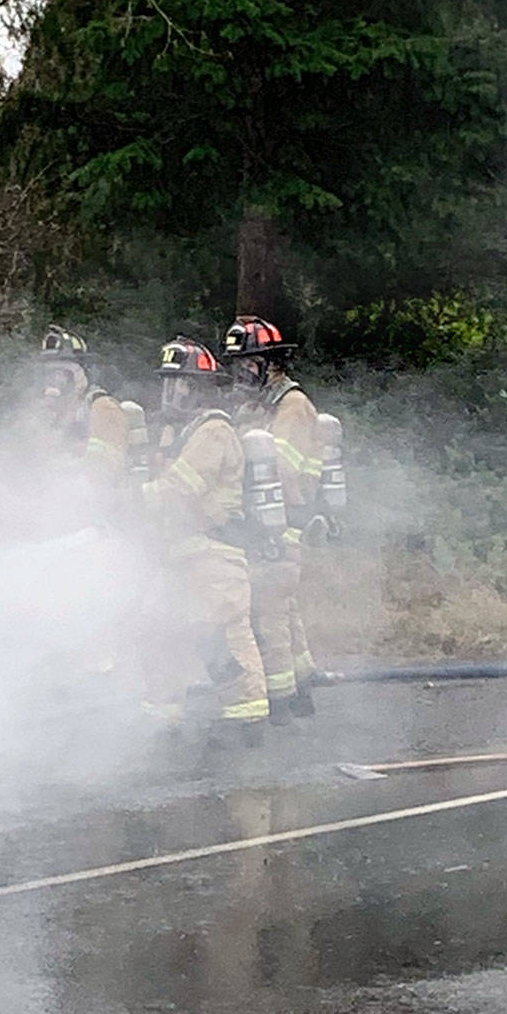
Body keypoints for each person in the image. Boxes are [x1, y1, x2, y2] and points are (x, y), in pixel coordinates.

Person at [140, 337, 269, 741]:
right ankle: (163, 716)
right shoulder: (178, 431)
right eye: (168, 384)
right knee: (162, 629)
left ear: (199, 387)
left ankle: (248, 720)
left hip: (214, 554)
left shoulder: (213, 431)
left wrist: (127, 501)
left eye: (182, 384)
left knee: (225, 635)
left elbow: (179, 488)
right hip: (180, 553)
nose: (173, 393)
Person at [222, 315, 321, 719]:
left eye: (247, 363)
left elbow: (280, 468)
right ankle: (302, 689)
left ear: (271, 363)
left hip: (287, 519)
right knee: (284, 608)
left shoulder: (293, 407)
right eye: (237, 365)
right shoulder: (258, 405)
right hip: (268, 518)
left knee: (269, 612)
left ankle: (281, 700)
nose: (240, 373)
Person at [37, 326, 131, 514]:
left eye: (60, 375)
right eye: (48, 375)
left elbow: (103, 474)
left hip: (98, 520)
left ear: (79, 374)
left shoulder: (102, 408)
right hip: (57, 513)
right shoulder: (55, 418)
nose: (53, 384)